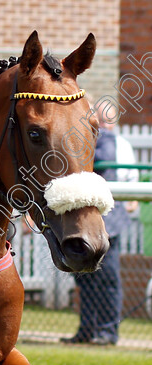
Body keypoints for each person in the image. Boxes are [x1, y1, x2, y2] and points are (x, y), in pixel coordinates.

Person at [64, 97, 139, 345]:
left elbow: (103, 169)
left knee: (107, 279)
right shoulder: (86, 139)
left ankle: (107, 332)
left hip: (107, 224)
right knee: (85, 279)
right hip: (86, 222)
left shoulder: (106, 140)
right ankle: (87, 330)